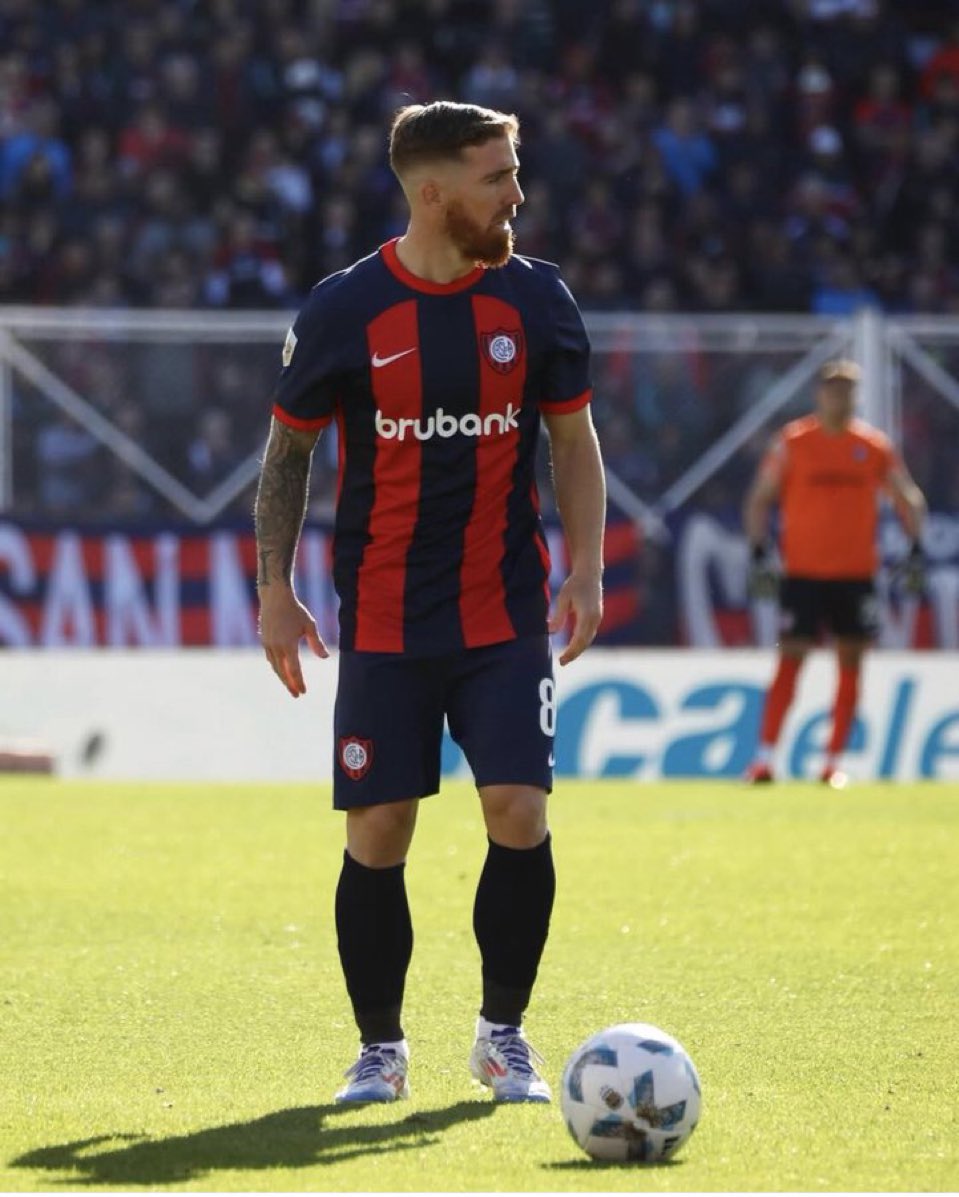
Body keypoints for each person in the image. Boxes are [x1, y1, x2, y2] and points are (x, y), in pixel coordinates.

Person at [254, 101, 605, 1104]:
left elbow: (572, 440)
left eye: (514, 173)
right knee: (379, 830)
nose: (517, 195)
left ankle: (502, 1035)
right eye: (497, 178)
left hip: (502, 610)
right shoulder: (346, 308)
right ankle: (380, 1048)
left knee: (518, 811)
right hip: (383, 617)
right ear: (433, 191)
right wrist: (274, 589)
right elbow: (288, 455)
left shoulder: (535, 299)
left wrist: (584, 568)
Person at [743, 359, 926, 787]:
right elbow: (759, 498)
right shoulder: (793, 442)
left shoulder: (873, 447)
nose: (839, 395)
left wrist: (915, 547)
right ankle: (765, 758)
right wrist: (759, 551)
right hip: (803, 572)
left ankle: (833, 761)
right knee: (791, 657)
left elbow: (908, 497)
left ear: (855, 395)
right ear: (819, 393)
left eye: (847, 388)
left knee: (851, 662)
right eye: (832, 387)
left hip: (855, 574)